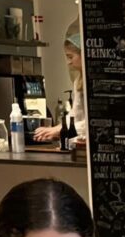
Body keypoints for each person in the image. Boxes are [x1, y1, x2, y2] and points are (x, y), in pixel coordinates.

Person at [34, 20, 86, 148]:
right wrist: (57, 128)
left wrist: (59, 130)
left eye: (70, 57)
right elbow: (75, 115)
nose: (68, 62)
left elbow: (89, 124)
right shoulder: (78, 81)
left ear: (83, 54)